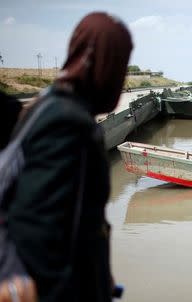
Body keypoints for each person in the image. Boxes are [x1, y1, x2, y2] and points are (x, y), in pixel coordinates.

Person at [0, 12, 133, 302]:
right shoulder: (69, 124)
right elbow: (39, 230)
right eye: (119, 66)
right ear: (104, 67)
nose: (121, 79)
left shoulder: (45, 104)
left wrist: (101, 270)